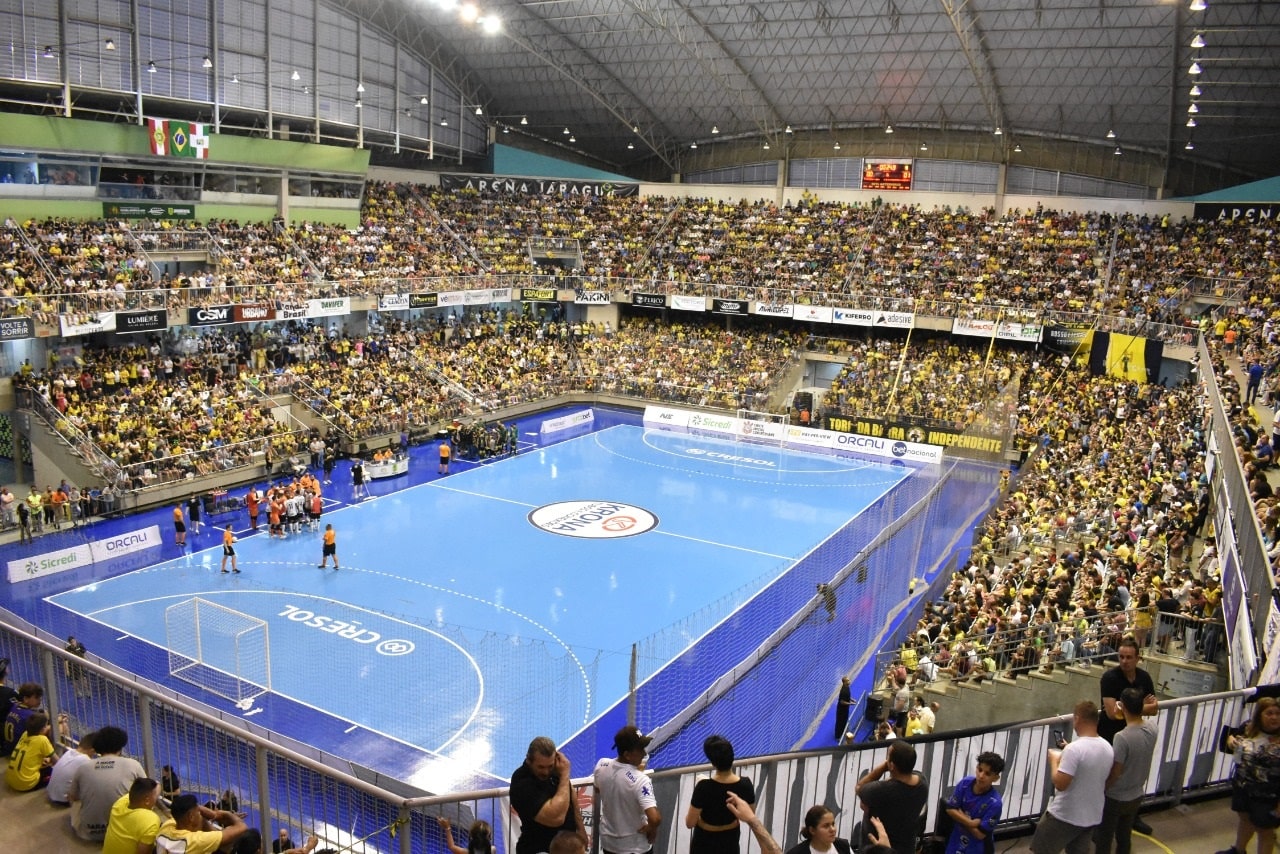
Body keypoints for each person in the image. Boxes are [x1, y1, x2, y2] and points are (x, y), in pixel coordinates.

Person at [1029, 700, 1114, 854]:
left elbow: (1060, 784)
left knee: (1042, 849)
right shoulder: (1107, 747)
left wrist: (1054, 760)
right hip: (1091, 815)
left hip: (1066, 815)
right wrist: (1069, 751)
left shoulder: (1074, 750)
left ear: (1077, 719)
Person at [1094, 688, 1158, 854]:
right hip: (1136, 793)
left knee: (1104, 838)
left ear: (1122, 707)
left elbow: (1116, 771)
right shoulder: (1152, 728)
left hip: (1116, 796)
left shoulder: (1122, 737)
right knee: (1124, 835)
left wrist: (1103, 788)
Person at [1218, 696, 1280, 854]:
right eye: (1269, 713)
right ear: (1259, 715)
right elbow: (1230, 740)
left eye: (1277, 714)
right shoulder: (1247, 728)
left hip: (1268, 796)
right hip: (1243, 788)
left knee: (1265, 832)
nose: (1274, 717)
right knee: (1245, 819)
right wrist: (1231, 740)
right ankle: (1239, 850)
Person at [510, 736, 588, 854]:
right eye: (540, 767)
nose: (546, 772)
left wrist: (581, 829)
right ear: (529, 760)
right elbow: (557, 818)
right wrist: (564, 774)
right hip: (538, 849)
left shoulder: (556, 770)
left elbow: (569, 792)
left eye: (550, 766)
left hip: (565, 847)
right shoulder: (521, 783)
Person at [69, 724, 146, 841]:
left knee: (78, 802)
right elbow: (147, 791)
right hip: (122, 832)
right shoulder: (133, 764)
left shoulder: (83, 767)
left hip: (88, 832)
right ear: (120, 747)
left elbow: (73, 797)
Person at [595, 724, 662, 854]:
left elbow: (598, 789)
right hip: (635, 847)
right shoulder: (641, 780)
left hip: (609, 844)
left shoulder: (601, 765)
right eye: (640, 749)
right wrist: (651, 829)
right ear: (627, 755)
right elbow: (655, 819)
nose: (644, 753)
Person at [685, 734, 755, 854]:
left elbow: (689, 823)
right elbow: (750, 815)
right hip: (730, 841)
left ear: (713, 763)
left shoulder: (703, 787)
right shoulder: (745, 784)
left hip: (704, 842)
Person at [856, 739, 929, 854]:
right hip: (906, 847)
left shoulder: (881, 790)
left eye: (888, 757)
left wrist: (882, 768)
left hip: (877, 849)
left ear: (892, 765)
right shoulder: (922, 784)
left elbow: (859, 787)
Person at [943, 751, 1005, 854]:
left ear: (995, 778)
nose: (981, 776)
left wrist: (960, 815)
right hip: (955, 841)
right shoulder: (965, 783)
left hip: (977, 848)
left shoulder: (995, 803)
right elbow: (950, 809)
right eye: (979, 770)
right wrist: (970, 823)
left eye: (987, 774)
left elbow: (980, 834)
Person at [155, 792, 252, 852]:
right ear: (191, 817)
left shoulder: (167, 826)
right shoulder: (194, 841)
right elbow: (242, 827)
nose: (200, 813)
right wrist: (223, 814)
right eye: (198, 812)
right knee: (227, 844)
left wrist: (209, 814)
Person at [102, 776, 161, 854]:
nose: (156, 798)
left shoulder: (119, 803)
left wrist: (156, 788)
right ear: (147, 801)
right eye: (156, 796)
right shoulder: (150, 820)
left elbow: (157, 787)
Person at [5, 711, 55, 791]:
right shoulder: (42, 740)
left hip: (11, 779)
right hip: (26, 784)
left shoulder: (25, 733)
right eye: (46, 726)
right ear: (43, 729)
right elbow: (57, 760)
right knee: (54, 771)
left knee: (42, 761)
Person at [48, 730, 96, 806]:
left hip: (51, 793)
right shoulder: (85, 760)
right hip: (64, 800)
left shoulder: (69, 752)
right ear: (92, 751)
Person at [783, 804, 854, 854]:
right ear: (812, 830)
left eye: (833, 824)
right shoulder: (797, 852)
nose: (832, 829)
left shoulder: (843, 846)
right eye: (826, 826)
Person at [2, 681, 45, 757]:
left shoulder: (14, 706)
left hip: (8, 748)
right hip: (19, 751)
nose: (39, 700)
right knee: (52, 729)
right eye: (36, 698)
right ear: (26, 699)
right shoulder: (30, 715)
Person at [834, 677, 853, 741]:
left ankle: (844, 732)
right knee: (840, 723)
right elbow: (842, 702)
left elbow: (847, 697)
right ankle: (838, 737)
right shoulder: (843, 691)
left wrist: (852, 700)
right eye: (848, 680)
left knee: (844, 721)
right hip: (841, 710)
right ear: (844, 682)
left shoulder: (847, 687)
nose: (849, 681)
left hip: (845, 709)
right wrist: (850, 703)